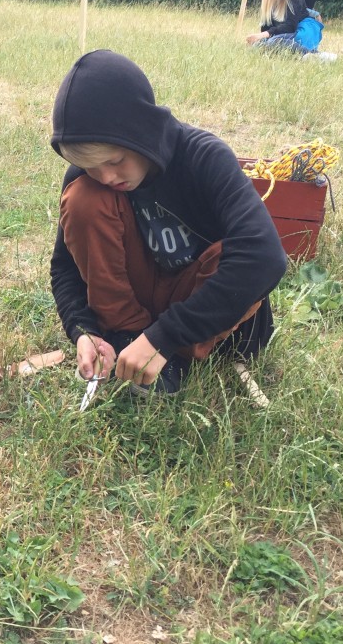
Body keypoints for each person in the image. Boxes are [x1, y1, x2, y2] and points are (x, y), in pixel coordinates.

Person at [49, 50, 286, 397]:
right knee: (83, 198)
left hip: (206, 310)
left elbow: (267, 258)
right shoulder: (91, 179)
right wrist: (84, 331)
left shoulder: (204, 157)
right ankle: (128, 338)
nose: (106, 176)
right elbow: (65, 268)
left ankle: (168, 354)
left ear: (142, 134)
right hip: (138, 307)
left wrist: (164, 338)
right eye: (90, 166)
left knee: (246, 254)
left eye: (115, 160)